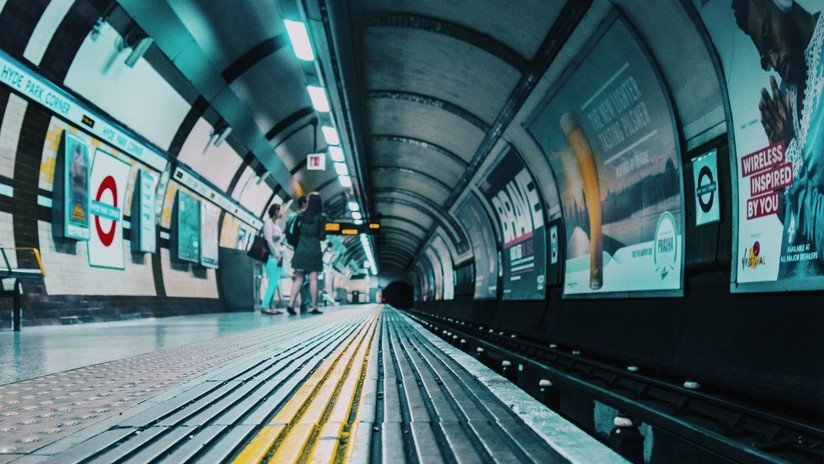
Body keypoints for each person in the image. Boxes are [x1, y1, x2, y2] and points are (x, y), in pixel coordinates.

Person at [733, 0, 824, 277]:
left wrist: (791, 155)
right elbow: (789, 219)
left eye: (769, 39)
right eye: (764, 59)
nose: (773, 61)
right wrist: (778, 153)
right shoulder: (785, 91)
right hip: (790, 291)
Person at [286, 192, 326, 315]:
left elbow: (294, 232)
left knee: (298, 279)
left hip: (301, 249)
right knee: (313, 279)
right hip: (314, 249)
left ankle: (291, 305)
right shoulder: (321, 217)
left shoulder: (300, 216)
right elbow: (322, 236)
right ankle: (314, 307)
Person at [261, 204, 284, 314]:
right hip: (271, 257)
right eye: (281, 210)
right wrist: (276, 254)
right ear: (276, 211)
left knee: (275, 282)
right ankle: (265, 306)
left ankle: (270, 306)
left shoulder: (277, 226)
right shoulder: (268, 223)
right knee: (273, 283)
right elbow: (268, 240)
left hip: (277, 257)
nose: (282, 213)